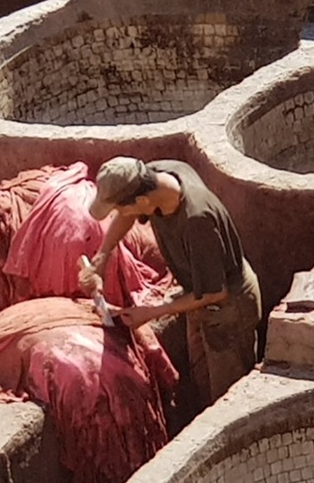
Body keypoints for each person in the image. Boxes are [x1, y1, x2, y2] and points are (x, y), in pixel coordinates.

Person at [78, 157, 260, 405]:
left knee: (227, 397)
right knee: (202, 376)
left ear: (141, 201)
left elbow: (215, 293)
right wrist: (102, 256)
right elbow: (127, 216)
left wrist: (152, 312)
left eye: (121, 208)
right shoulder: (157, 175)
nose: (120, 215)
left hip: (227, 308)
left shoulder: (197, 221)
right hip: (198, 293)